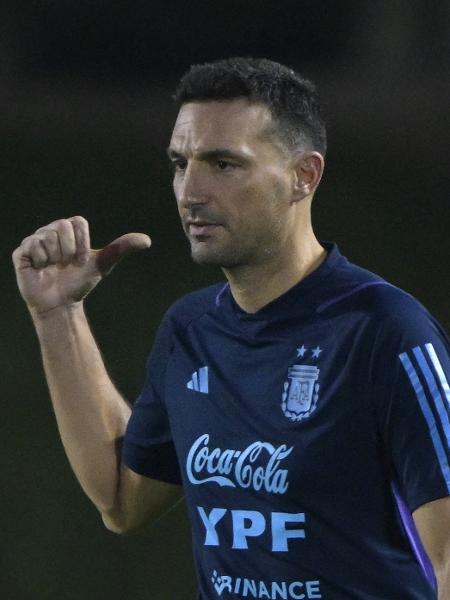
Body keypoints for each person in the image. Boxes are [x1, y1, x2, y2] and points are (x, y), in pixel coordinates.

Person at [12, 58, 450, 600]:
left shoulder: (385, 332)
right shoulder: (191, 329)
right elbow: (122, 501)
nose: (189, 191)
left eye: (223, 164)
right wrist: (57, 316)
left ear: (303, 176)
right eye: (180, 163)